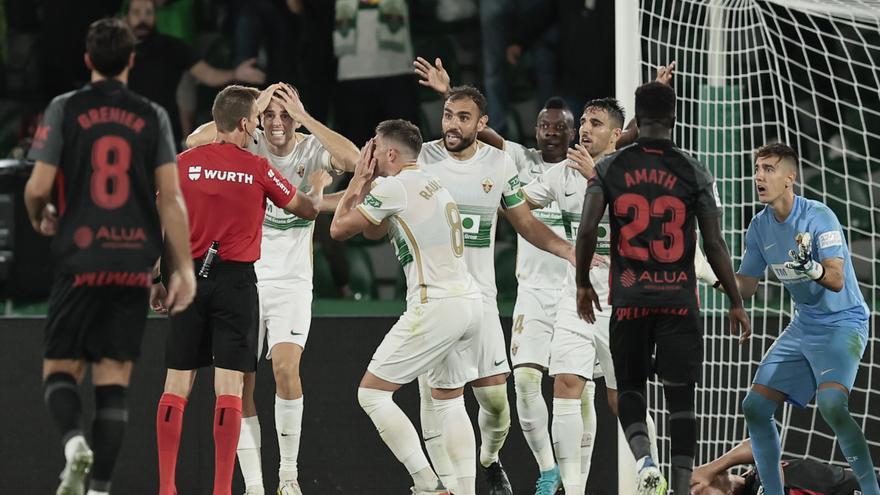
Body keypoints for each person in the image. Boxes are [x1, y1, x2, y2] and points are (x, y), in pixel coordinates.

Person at [24, 18, 195, 495]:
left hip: (80, 261)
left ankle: (75, 444)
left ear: (87, 60)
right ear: (132, 61)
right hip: (132, 266)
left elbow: (37, 187)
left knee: (60, 370)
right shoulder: (153, 115)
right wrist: (181, 269)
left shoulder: (64, 108)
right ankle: (99, 490)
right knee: (112, 384)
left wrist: (41, 215)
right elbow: (172, 198)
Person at [153, 85, 331, 495]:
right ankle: (221, 490)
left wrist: (159, 275)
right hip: (235, 282)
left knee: (176, 385)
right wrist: (318, 189)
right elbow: (304, 209)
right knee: (230, 388)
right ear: (247, 124)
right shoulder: (256, 167)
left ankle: (166, 488)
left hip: (186, 277)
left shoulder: (183, 164)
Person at [576, 81, 750, 495]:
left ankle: (646, 463)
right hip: (678, 302)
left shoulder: (609, 168)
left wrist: (583, 283)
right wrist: (736, 300)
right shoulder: (694, 169)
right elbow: (714, 243)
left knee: (630, 388)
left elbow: (585, 232)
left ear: (637, 117)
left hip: (630, 300)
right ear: (674, 118)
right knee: (681, 398)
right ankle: (681, 483)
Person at [411, 81, 574, 495]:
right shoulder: (422, 158)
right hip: (433, 296)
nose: (452, 124)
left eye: (463, 117)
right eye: (448, 114)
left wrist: (569, 251)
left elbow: (526, 222)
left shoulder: (499, 164)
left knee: (497, 406)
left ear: (481, 123)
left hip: (481, 300)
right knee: (441, 399)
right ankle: (450, 486)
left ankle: (488, 458)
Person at [329, 120, 482, 495]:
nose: (371, 156)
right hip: (467, 303)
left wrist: (357, 181)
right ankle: (463, 490)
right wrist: (369, 188)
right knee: (448, 399)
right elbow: (374, 230)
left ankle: (427, 483)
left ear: (391, 154)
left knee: (372, 393)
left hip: (435, 304)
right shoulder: (431, 181)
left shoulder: (394, 186)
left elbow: (338, 229)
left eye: (376, 151)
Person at [733, 143, 878, 495]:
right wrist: (708, 273)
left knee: (832, 405)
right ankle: (774, 492)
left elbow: (836, 278)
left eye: (768, 169)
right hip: (804, 325)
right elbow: (746, 286)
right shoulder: (759, 227)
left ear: (789, 178)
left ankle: (871, 491)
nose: (759, 176)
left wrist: (810, 267)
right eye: (757, 168)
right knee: (755, 407)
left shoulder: (819, 216)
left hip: (844, 322)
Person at [124, 0, 267, 144]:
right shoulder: (118, 50)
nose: (143, 18)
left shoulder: (173, 47)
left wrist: (235, 74)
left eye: (148, 12)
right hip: (126, 129)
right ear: (126, 17)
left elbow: (208, 75)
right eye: (136, 12)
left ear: (156, 16)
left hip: (164, 132)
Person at [691, 439, 876, 495]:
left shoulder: (753, 477)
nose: (695, 489)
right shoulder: (765, 485)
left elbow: (760, 443)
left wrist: (711, 467)